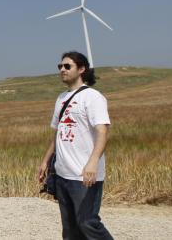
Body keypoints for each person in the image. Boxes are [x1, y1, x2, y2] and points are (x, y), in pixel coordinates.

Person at [37, 51, 113, 240]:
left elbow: (102, 131)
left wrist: (93, 162)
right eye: (60, 66)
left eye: (67, 66)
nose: (62, 70)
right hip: (62, 174)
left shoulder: (93, 97)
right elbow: (57, 134)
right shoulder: (61, 98)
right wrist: (45, 162)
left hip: (84, 174)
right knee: (70, 229)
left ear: (81, 69)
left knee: (88, 223)